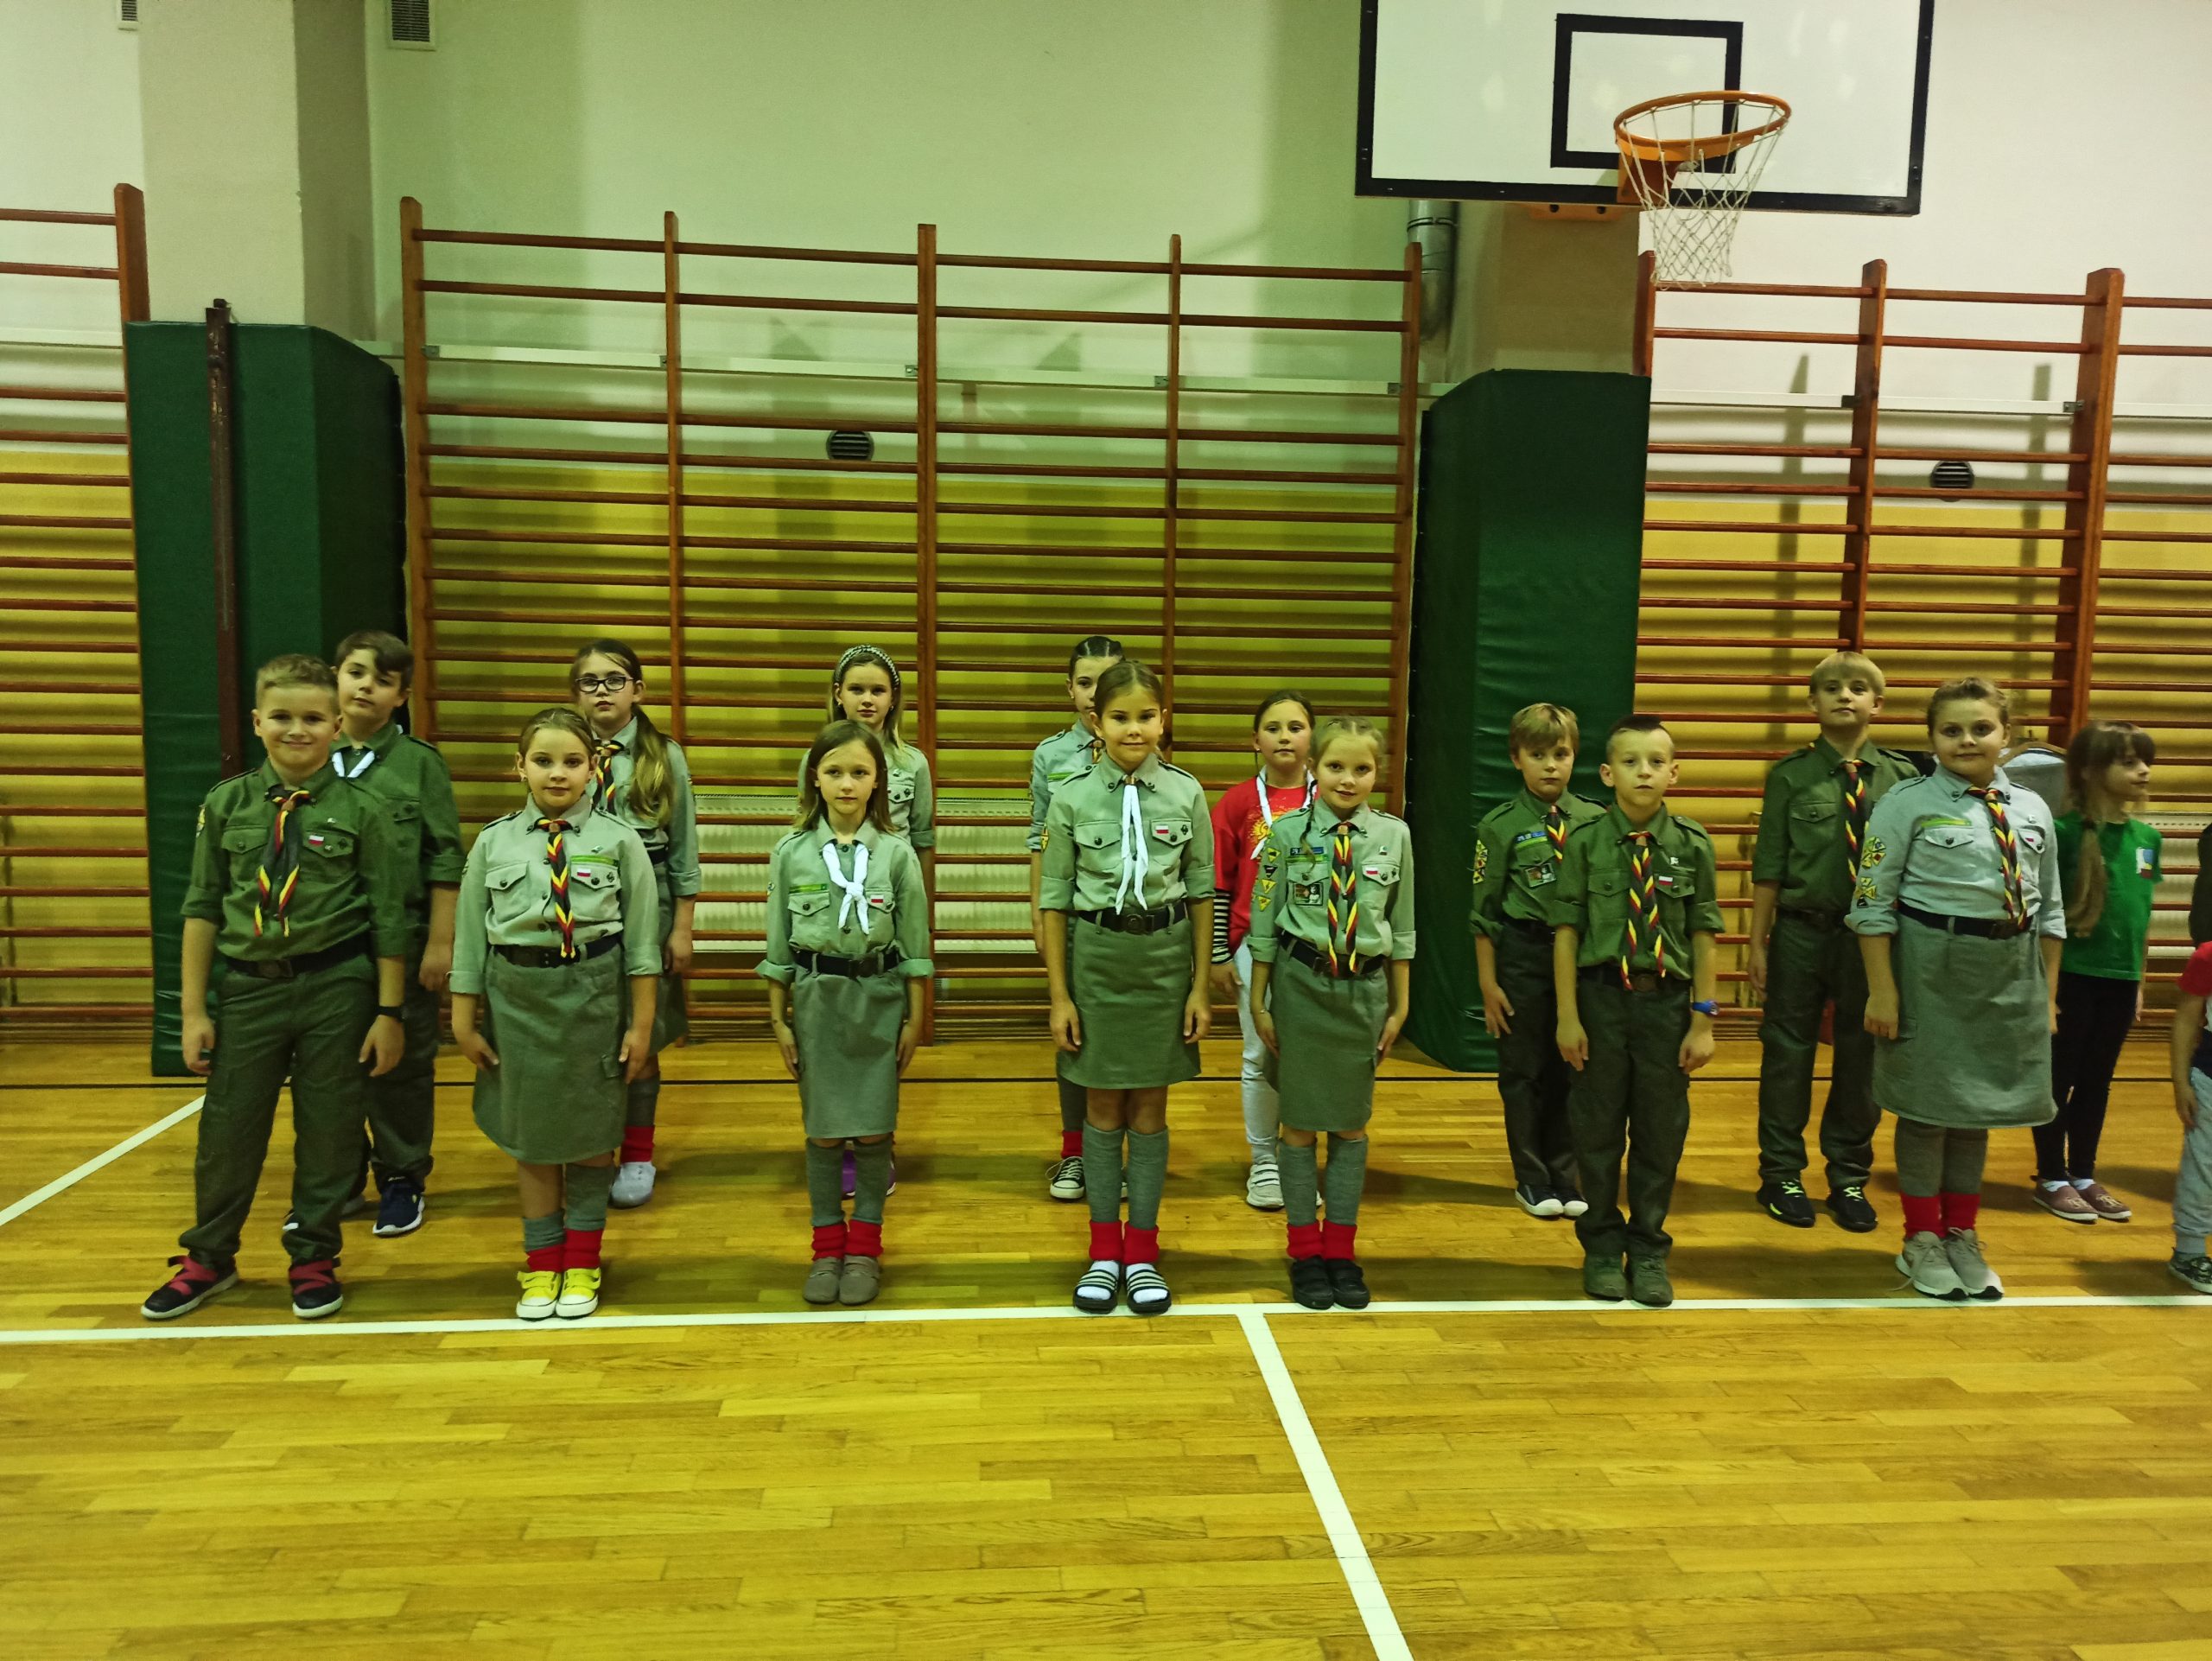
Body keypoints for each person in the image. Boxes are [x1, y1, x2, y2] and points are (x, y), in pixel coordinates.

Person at [140, 654, 410, 1322]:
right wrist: (193, 1010)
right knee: (229, 1130)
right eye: (282, 717)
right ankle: (210, 1257)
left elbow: (389, 917)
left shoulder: (365, 810)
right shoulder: (226, 804)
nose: (297, 730)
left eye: (313, 718)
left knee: (329, 1129)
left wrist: (389, 1011)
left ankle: (313, 1255)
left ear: (337, 726)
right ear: (258, 721)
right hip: (249, 989)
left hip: (337, 986)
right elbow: (201, 908)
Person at [1850, 678, 2065, 1303]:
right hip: (1931, 968)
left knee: (1977, 1113)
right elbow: (1870, 903)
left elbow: (2050, 911)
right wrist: (1882, 991)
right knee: (1927, 1111)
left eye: (1981, 728)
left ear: (2007, 734)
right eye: (1951, 730)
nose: (1967, 740)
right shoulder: (1905, 803)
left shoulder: (2032, 808)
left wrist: (2047, 994)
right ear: (1932, 738)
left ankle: (1961, 1234)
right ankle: (1921, 1237)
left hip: (2010, 970)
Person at [451, 708, 659, 1321]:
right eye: (543, 761)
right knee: (534, 1140)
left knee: (593, 1137)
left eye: (572, 761)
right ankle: (542, 1263)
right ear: (519, 767)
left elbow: (643, 944)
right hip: (517, 998)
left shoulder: (619, 841)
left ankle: (583, 1260)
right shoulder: (493, 842)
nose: (558, 773)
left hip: (593, 995)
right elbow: (470, 938)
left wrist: (641, 1024)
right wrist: (463, 1018)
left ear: (594, 768)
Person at [1039, 659, 1213, 1315]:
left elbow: (1202, 893)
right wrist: (1060, 996)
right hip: (1099, 962)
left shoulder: (1186, 794)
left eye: (1145, 716)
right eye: (1119, 717)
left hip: (1163, 964)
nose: (1133, 729)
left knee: (1149, 1112)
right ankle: (1103, 1251)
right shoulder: (1071, 796)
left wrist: (1200, 987)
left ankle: (1142, 1250)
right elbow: (1054, 900)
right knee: (1103, 1110)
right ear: (1096, 722)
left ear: (1163, 719)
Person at [1745, 651, 1919, 1233]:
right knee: (1787, 1053)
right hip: (1802, 930)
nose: (1846, 695)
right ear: (1812, 702)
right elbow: (1769, 865)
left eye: (1859, 688)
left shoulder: (1901, 779)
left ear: (1878, 704)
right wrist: (1758, 942)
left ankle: (1848, 1175)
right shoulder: (1789, 776)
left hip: (1872, 939)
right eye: (1833, 688)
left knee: (1861, 1056)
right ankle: (1781, 1174)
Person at [760, 722, 932, 1307]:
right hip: (817, 1001)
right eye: (834, 771)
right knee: (824, 1131)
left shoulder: (897, 855)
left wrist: (914, 1021)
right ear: (815, 778)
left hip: (878, 1000)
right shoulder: (790, 853)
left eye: (860, 772)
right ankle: (825, 1247)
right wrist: (779, 1020)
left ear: (878, 780)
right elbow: (777, 947)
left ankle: (864, 1247)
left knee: (877, 1128)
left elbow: (915, 949)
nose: (847, 784)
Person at [1553, 715, 1721, 1309]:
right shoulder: (1585, 842)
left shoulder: (1693, 845)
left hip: (1667, 1006)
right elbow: (1566, 933)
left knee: (1660, 1133)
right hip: (1600, 1001)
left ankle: (1648, 1248)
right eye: (1630, 762)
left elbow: (1704, 935)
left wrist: (1703, 1020)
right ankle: (1601, 1245)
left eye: (1655, 762)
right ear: (1607, 773)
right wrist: (1567, 1017)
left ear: (1675, 772)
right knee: (1596, 1131)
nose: (1643, 772)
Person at [1248, 717, 1414, 1310]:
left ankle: (1341, 1250)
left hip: (1362, 993)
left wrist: (1401, 1003)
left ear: (1378, 773)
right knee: (1297, 1125)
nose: (1348, 779)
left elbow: (1402, 926)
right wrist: (1259, 999)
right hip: (1301, 988)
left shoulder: (1394, 836)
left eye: (1362, 769)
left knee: (1350, 1124)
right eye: (1336, 766)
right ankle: (1304, 1252)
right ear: (1314, 767)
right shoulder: (1286, 834)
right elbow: (1264, 921)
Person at [328, 628, 464, 1238]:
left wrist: (441, 942)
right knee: (330, 1066)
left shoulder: (419, 765)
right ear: (335, 678)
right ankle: (336, 1178)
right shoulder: (307, 754)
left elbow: (444, 856)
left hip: (404, 940)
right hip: (327, 942)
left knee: (401, 1066)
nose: (366, 687)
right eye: (355, 673)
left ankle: (402, 1176)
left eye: (382, 680)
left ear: (401, 696)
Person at [572, 640, 698, 1211]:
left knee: (640, 1034)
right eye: (590, 682)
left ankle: (638, 1154)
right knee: (588, 1034)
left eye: (614, 680)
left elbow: (684, 846)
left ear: (638, 690)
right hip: (581, 906)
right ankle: (592, 1147)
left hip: (649, 905)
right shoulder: (563, 752)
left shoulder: (663, 756)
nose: (602, 691)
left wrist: (682, 926)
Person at [1471, 702, 1605, 1220]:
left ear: (1575, 757)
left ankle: (1566, 1174)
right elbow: (1483, 915)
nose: (1551, 765)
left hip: (1582, 958)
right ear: (1516, 758)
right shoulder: (1499, 826)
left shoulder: (1595, 820)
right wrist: (1489, 984)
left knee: (1575, 1066)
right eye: (1538, 755)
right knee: (1524, 1069)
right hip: (1524, 955)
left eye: (1561, 754)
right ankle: (1532, 1177)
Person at [816, 643, 935, 1199]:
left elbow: (923, 841)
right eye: (857, 689)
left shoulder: (913, 763)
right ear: (838, 695)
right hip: (830, 911)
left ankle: (877, 1143)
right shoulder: (820, 755)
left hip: (889, 906)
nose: (867, 699)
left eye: (878, 690)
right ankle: (833, 1139)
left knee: (883, 1036)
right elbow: (807, 831)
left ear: (894, 699)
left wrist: (920, 916)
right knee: (831, 1034)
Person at [2036, 721, 2159, 1222]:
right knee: (2058, 1078)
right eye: (2129, 762)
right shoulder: (2062, 835)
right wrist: (2047, 994)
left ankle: (2083, 1174)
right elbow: (2046, 919)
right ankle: (2051, 1176)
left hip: (2120, 981)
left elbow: (2142, 916)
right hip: (2071, 979)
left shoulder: (2148, 838)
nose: (2144, 771)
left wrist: (2139, 981)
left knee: (2097, 1081)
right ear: (2088, 770)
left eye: (2146, 761)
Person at [1209, 689, 1315, 1211]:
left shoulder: (1334, 796)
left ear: (1312, 738)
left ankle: (1299, 1158)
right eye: (1273, 728)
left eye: (1295, 727)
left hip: (1319, 949)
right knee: (1259, 1054)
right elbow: (1218, 884)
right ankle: (1264, 1162)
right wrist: (1218, 954)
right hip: (1255, 946)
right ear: (1256, 741)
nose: (1284, 737)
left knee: (1308, 1057)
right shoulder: (1237, 803)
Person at [1028, 634, 1122, 1201]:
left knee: (1123, 1040)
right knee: (1074, 1033)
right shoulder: (1052, 756)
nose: (1094, 693)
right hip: (1073, 913)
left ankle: (1115, 1152)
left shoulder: (1142, 748)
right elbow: (1039, 838)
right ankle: (1075, 1153)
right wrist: (1040, 911)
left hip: (1125, 919)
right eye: (1085, 682)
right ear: (1069, 689)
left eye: (1106, 683)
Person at [2167, 937, 2212, 1295]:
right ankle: (2189, 1251)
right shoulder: (2209, 955)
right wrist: (2181, 1082)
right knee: (2203, 1167)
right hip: (2210, 1080)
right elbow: (2185, 1020)